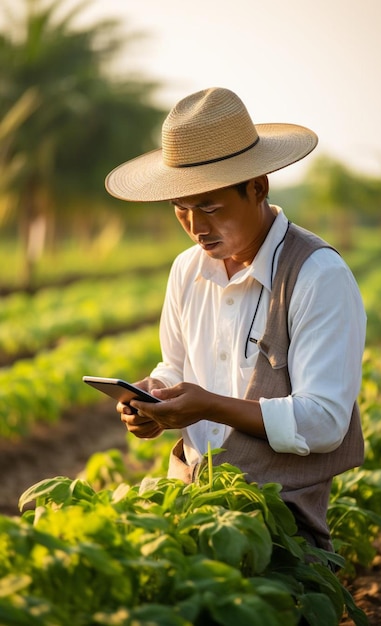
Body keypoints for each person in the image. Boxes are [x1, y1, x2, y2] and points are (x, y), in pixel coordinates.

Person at [105, 87, 366, 552]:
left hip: (279, 524)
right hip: (191, 502)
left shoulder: (317, 275)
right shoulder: (187, 270)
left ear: (258, 187)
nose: (195, 226)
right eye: (180, 208)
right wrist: (153, 398)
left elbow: (325, 422)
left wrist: (209, 405)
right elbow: (175, 366)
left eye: (209, 206)